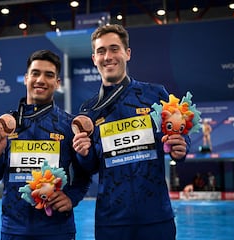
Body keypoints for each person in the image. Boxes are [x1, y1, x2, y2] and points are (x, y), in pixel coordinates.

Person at [72, 24, 191, 240]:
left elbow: (179, 136)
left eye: (114, 49)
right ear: (94, 59)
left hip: (156, 218)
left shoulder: (155, 95)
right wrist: (83, 153)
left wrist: (182, 147)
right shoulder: (88, 111)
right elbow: (89, 167)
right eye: (101, 51)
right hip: (111, 223)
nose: (108, 56)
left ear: (127, 53)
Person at [0, 50, 91, 240]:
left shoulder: (68, 125)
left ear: (57, 83)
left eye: (49, 75)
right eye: (35, 73)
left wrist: (72, 198)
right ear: (26, 78)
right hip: (13, 231)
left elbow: (85, 174)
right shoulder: (4, 124)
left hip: (58, 230)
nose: (40, 80)